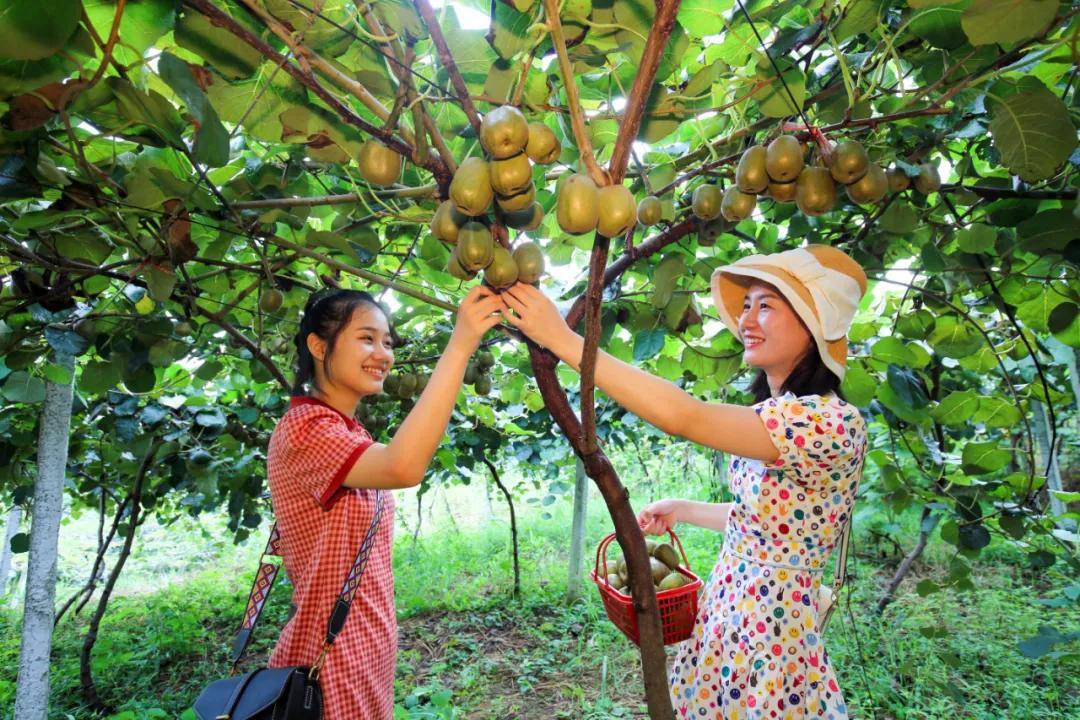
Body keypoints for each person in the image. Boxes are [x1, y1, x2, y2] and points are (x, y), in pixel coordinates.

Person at [501, 244, 869, 718]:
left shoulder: (828, 423)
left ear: (812, 323)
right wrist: (685, 509)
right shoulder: (776, 415)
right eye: (746, 306)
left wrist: (565, 340)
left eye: (766, 306)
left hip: (770, 632)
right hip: (731, 613)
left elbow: (684, 416)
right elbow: (770, 522)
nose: (746, 320)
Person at [266, 285, 505, 720]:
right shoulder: (305, 429)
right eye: (366, 338)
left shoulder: (350, 434)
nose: (383, 354)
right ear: (318, 346)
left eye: (387, 342)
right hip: (330, 657)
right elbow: (403, 467)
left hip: (366, 651)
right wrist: (461, 342)